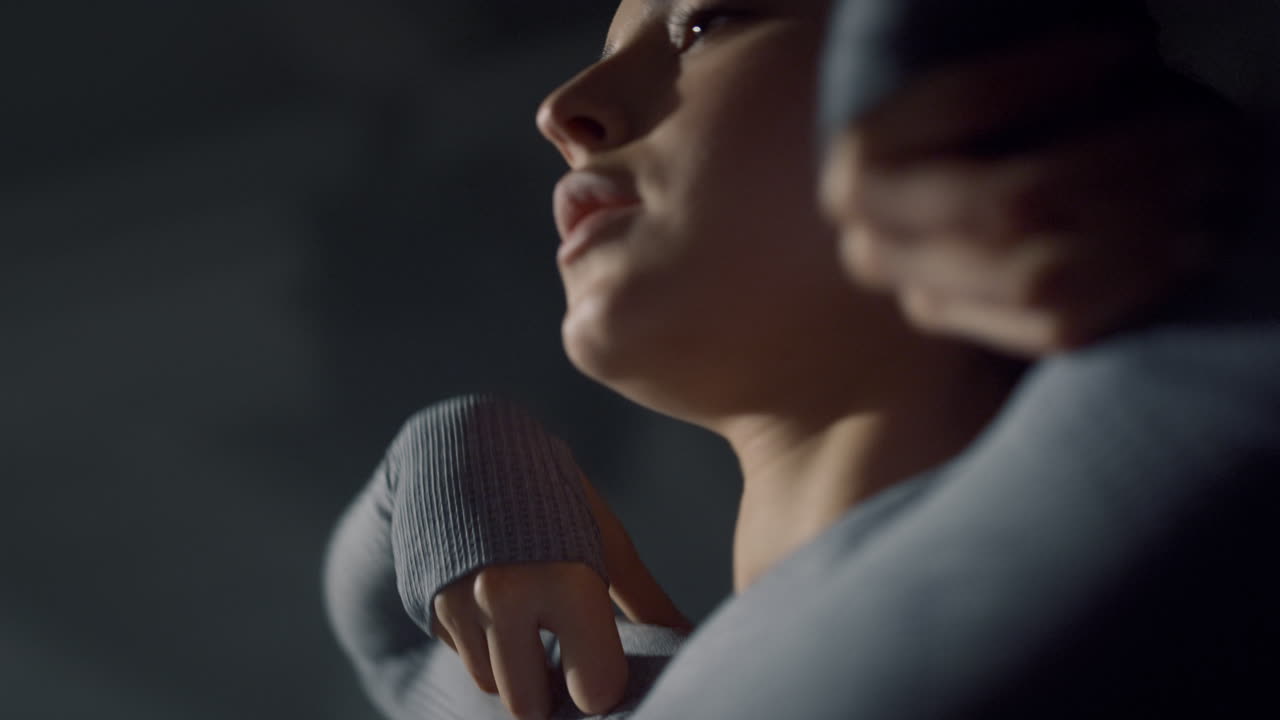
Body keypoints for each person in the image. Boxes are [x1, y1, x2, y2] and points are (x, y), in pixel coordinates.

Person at [323, 1, 1280, 719]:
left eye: (706, 23)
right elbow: (383, 634)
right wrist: (467, 458)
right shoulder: (601, 688)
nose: (564, 110)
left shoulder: (1162, 442)